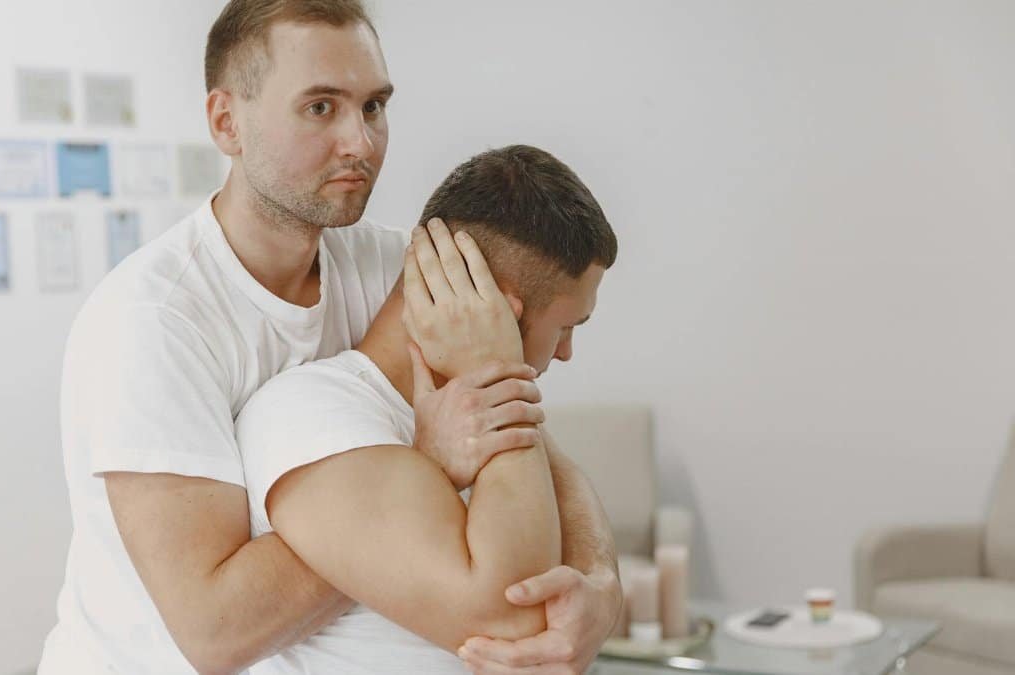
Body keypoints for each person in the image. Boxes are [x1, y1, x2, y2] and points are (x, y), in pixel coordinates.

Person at [39, 1, 621, 673]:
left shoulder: (392, 267)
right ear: (226, 121)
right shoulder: (153, 324)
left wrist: (600, 586)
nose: (361, 142)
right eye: (321, 107)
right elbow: (216, 631)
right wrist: (422, 460)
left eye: (373, 107)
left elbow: (526, 432)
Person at [236, 144, 620, 675]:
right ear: (495, 310)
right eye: (566, 326)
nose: (565, 352)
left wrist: (603, 585)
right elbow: (515, 619)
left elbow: (568, 483)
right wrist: (494, 361)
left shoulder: (486, 407)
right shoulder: (309, 414)